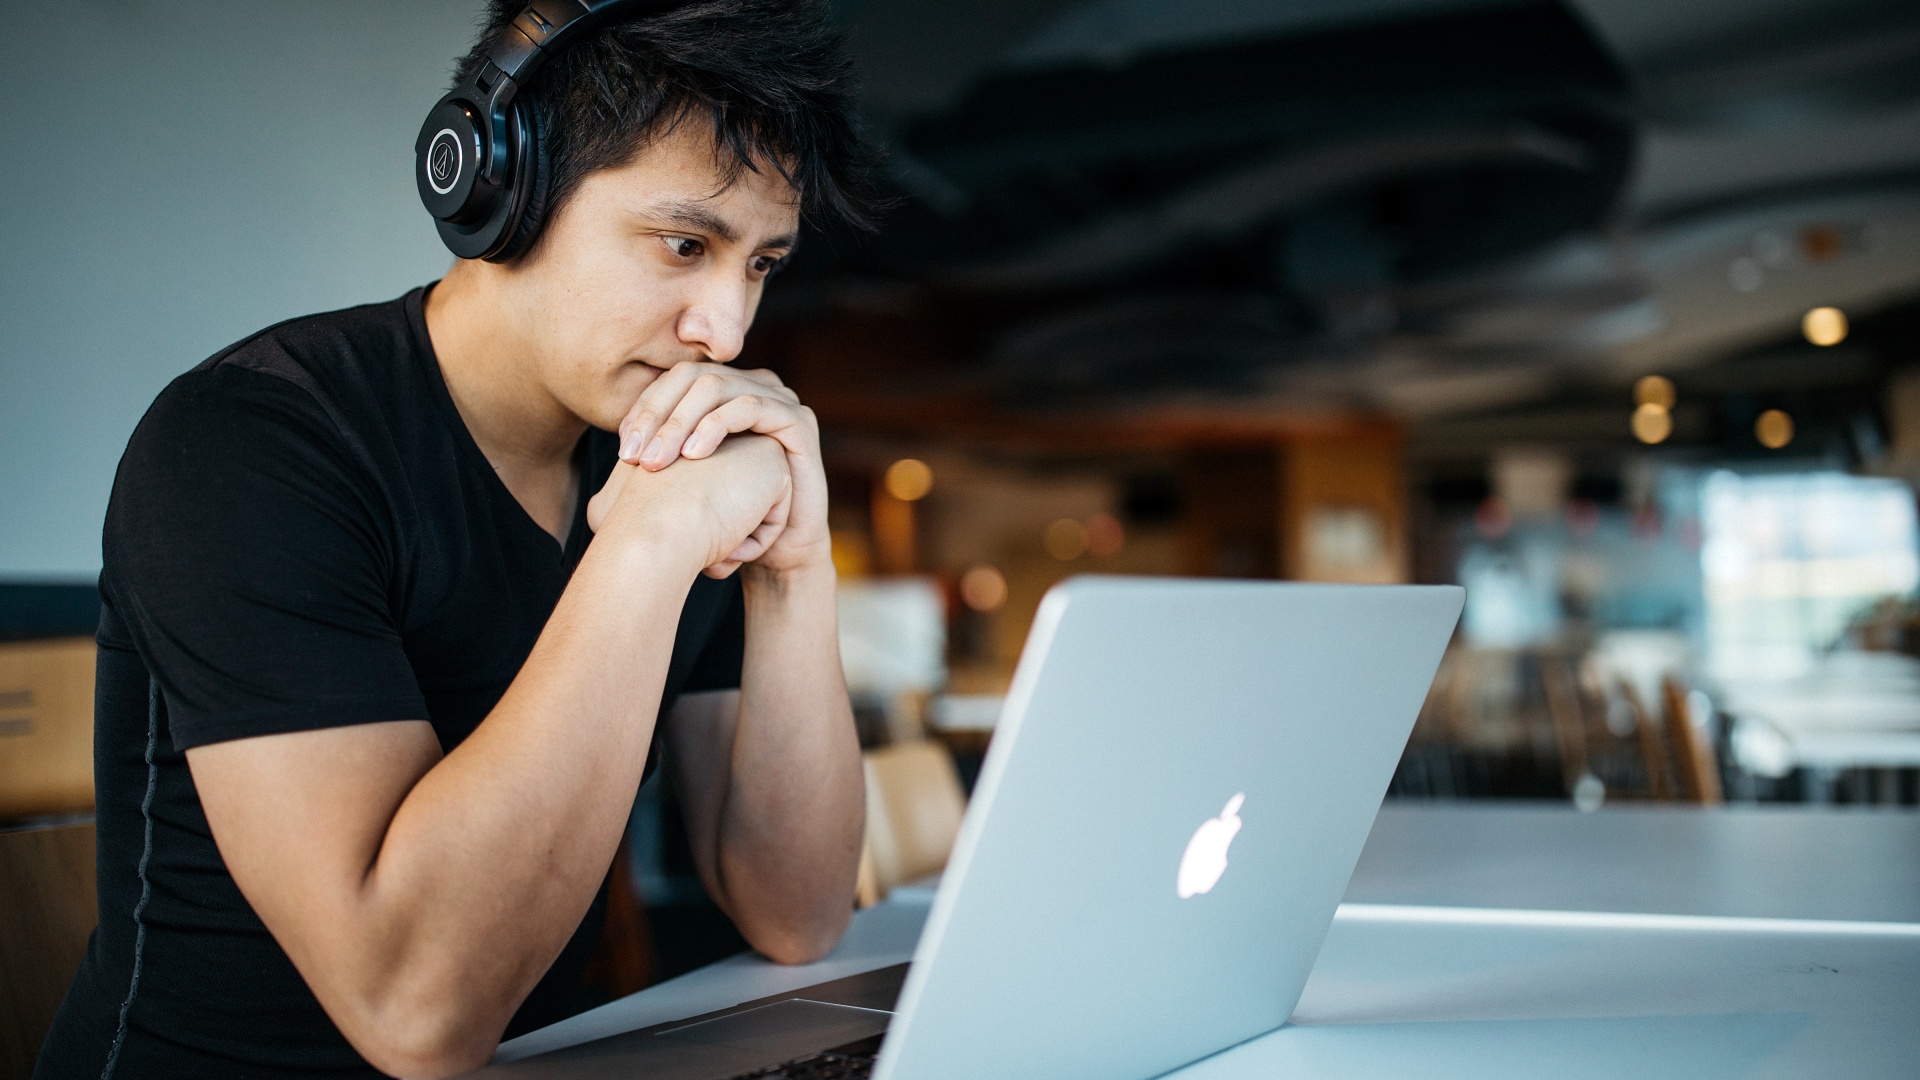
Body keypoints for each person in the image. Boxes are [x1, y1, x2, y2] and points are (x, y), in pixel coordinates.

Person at [36, 2, 886, 1077]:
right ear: (502, 190)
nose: (725, 330)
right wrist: (646, 547)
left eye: (761, 265)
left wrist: (792, 564)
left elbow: (798, 914)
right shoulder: (248, 444)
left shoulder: (675, 460)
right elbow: (413, 1011)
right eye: (685, 244)